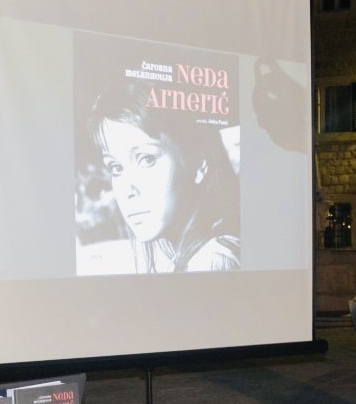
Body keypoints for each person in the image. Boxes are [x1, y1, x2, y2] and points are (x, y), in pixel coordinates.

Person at [78, 77, 240, 275]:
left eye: (147, 159)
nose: (128, 190)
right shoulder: (182, 254)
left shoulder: (212, 260)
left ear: (198, 163)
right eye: (116, 167)